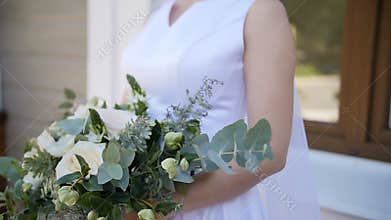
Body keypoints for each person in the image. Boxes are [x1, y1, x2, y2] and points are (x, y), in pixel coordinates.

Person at [121, 0, 321, 219]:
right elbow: (129, 109)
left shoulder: (259, 11)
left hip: (209, 207)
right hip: (134, 202)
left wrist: (156, 207)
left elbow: (267, 151)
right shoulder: (157, 16)